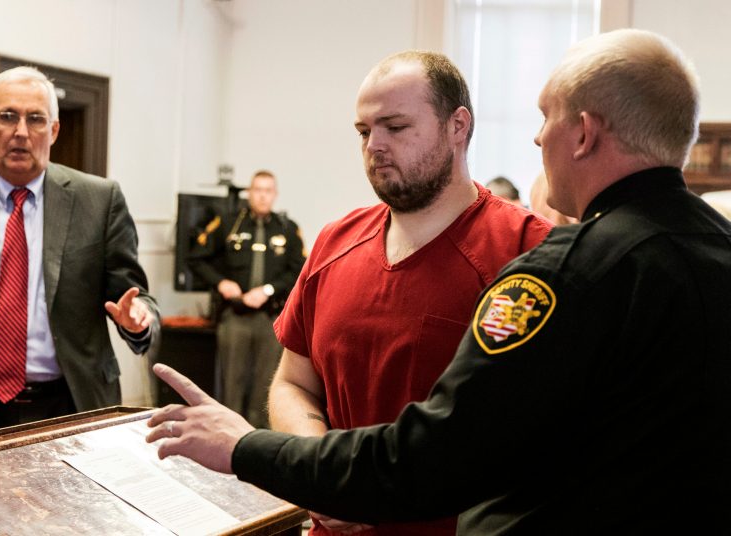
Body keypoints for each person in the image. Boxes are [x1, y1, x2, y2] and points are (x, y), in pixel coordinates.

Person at [147, 29, 731, 534]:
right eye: (363, 129)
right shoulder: (711, 247)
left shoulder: (555, 265)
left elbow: (433, 456)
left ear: (581, 134)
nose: (534, 139)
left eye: (545, 118)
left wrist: (247, 447)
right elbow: (296, 381)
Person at [242, 51, 551, 535]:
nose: (374, 146)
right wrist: (323, 473)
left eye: (396, 127)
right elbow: (293, 383)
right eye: (364, 132)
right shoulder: (333, 242)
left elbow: (537, 430)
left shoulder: (529, 251)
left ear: (458, 126)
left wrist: (374, 489)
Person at [0, 66, 160, 434]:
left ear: (53, 130)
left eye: (35, 119)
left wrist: (137, 319)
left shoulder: (99, 201)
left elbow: (137, 298)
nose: (21, 132)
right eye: (7, 116)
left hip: (71, 404)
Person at [189, 170, 305, 428]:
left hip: (271, 319)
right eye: (257, 190)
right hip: (235, 317)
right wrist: (221, 282)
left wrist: (268, 290)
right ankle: (228, 441)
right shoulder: (229, 223)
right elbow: (196, 257)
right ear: (250, 193)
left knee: (266, 387)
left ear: (274, 195)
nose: (262, 196)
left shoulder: (287, 228)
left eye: (267, 191)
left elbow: (300, 270)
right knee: (232, 385)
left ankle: (259, 443)